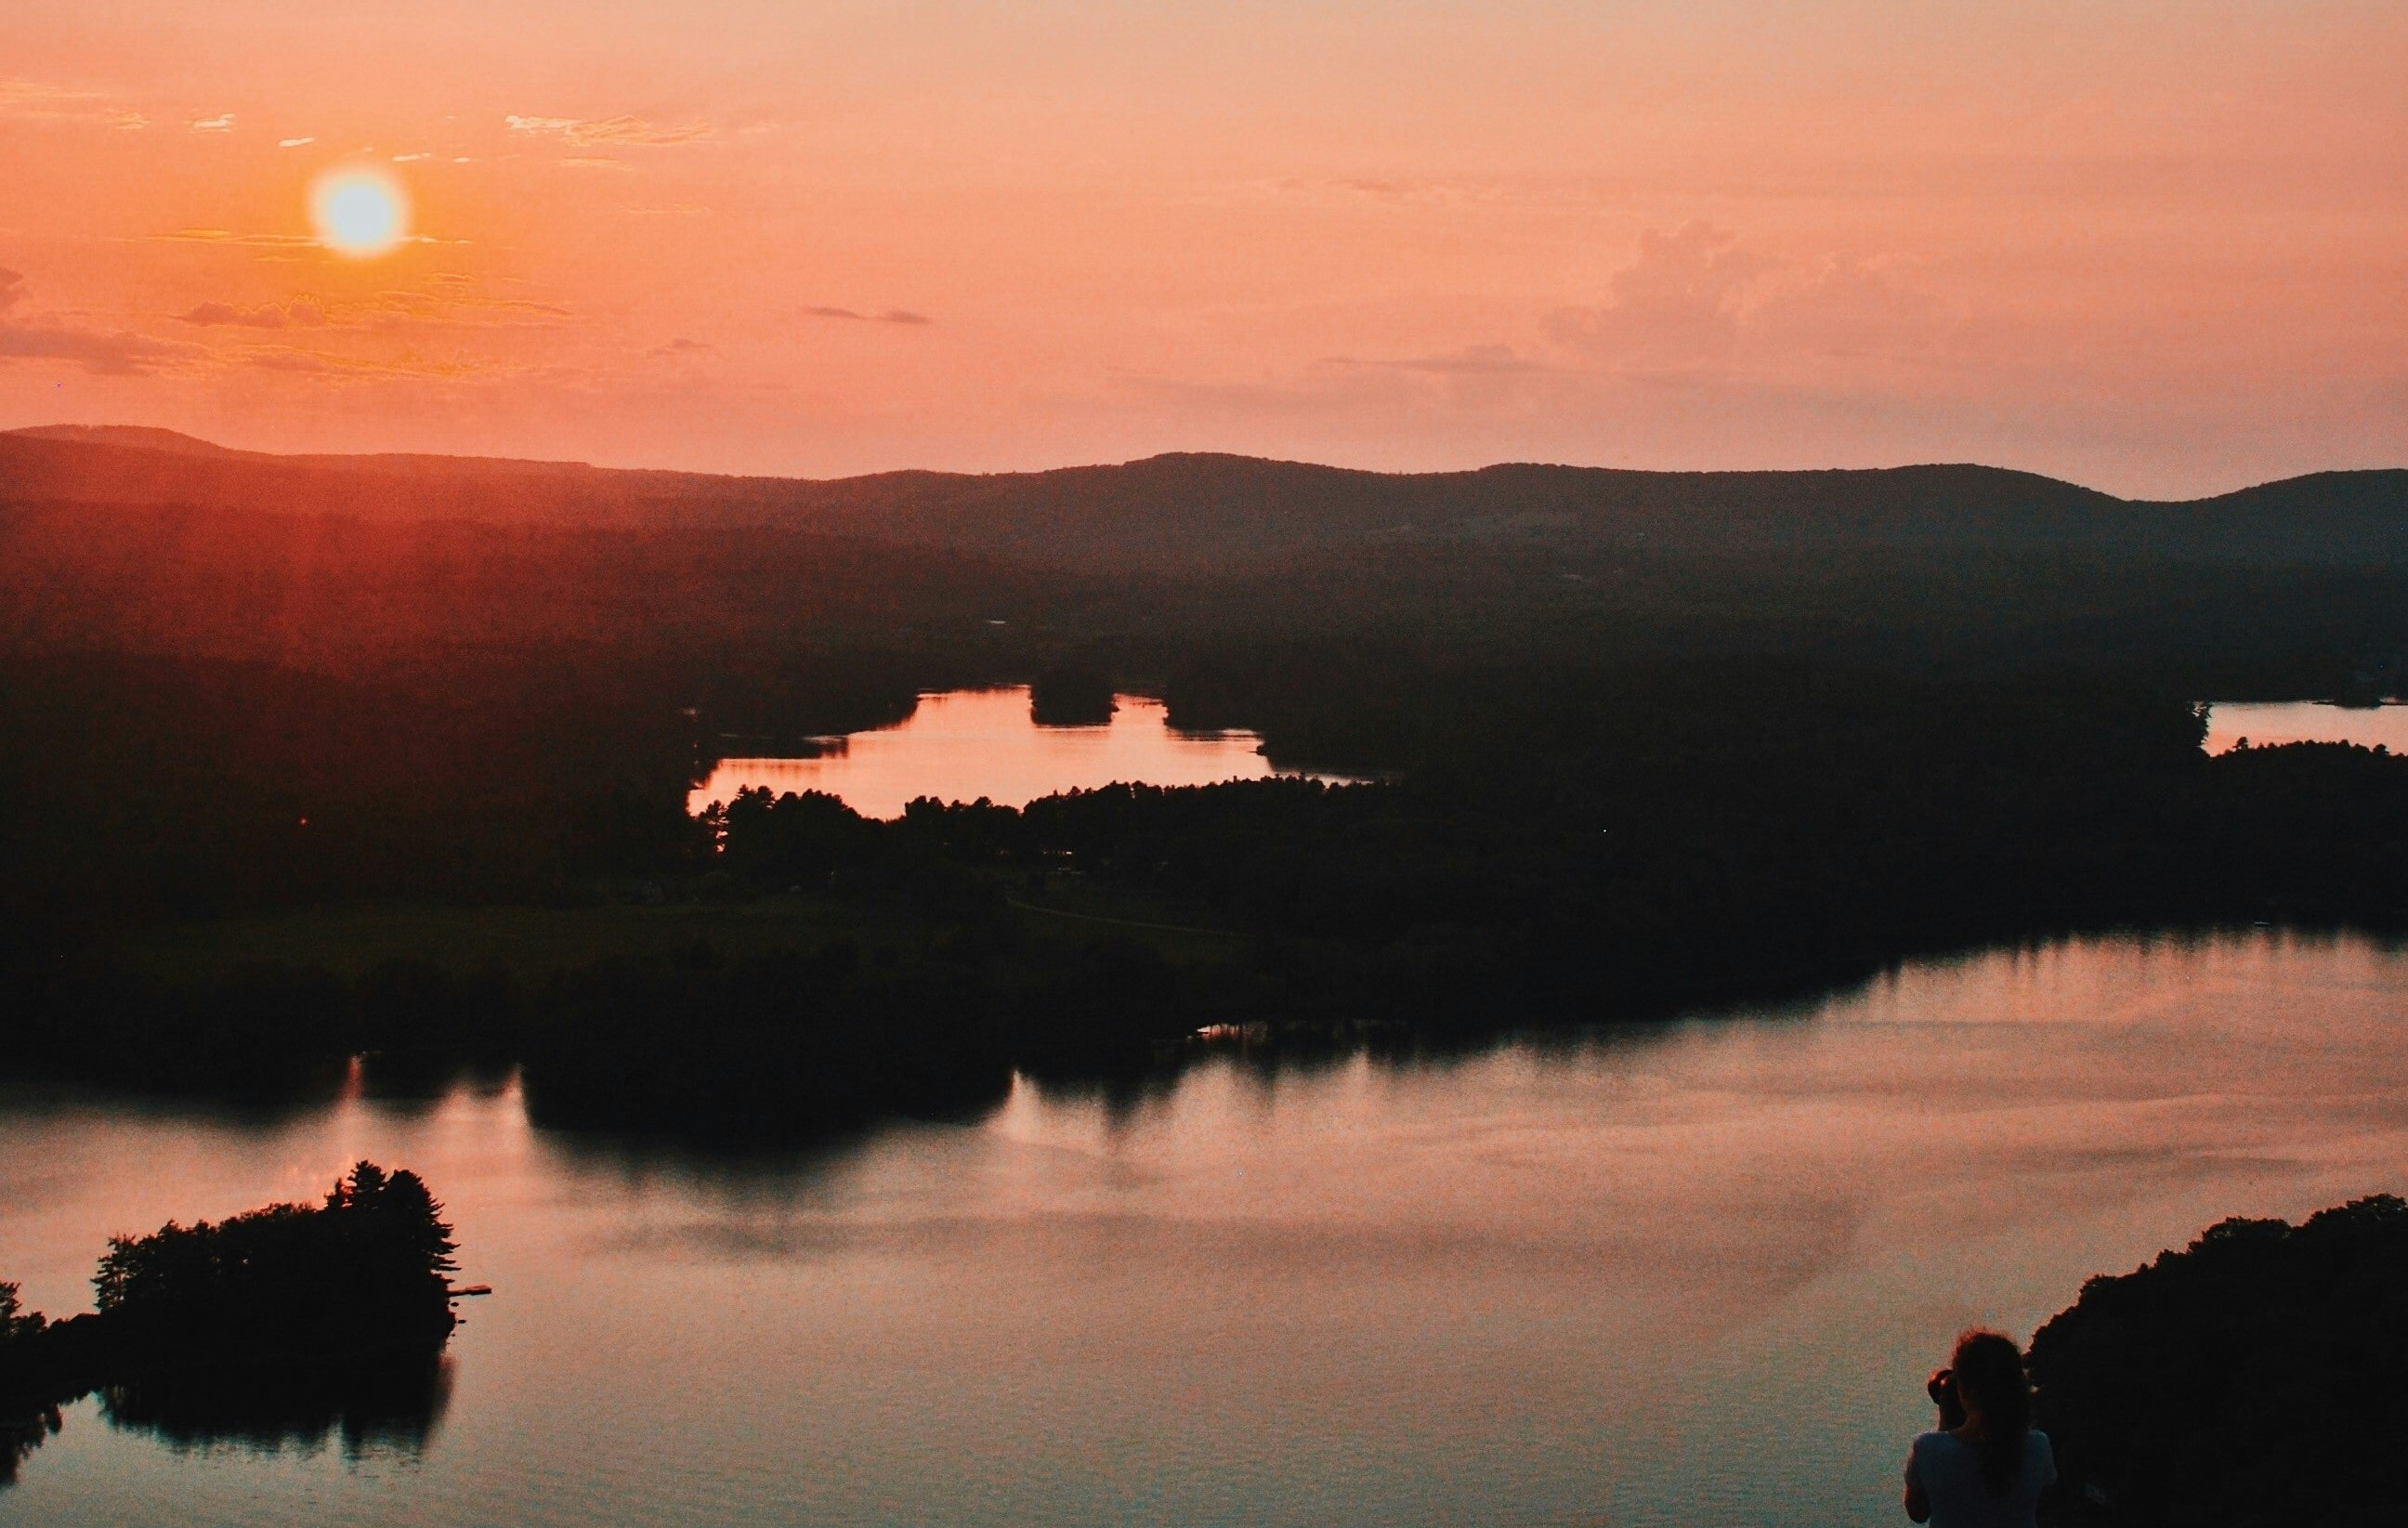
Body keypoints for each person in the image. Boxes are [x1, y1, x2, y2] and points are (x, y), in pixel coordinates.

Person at [1904, 1329, 2056, 1527]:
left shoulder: (1927, 1449)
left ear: (1965, 1390)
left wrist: (1945, 1424)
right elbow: (2044, 1503)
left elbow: (1918, 1512)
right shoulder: (2038, 1446)